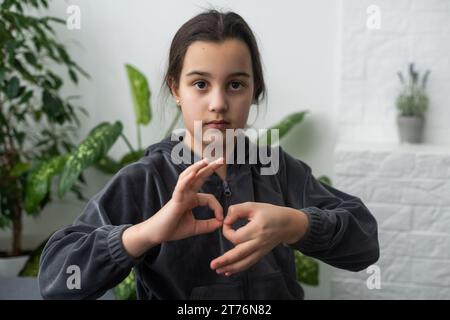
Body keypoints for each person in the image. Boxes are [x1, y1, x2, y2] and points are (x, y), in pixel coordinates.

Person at [38, 9, 379, 300]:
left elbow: (364, 243)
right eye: (200, 84)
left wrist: (296, 225)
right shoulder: (145, 179)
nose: (218, 103)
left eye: (235, 85)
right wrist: (147, 232)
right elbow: (57, 279)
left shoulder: (278, 170)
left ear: (254, 90)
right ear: (176, 89)